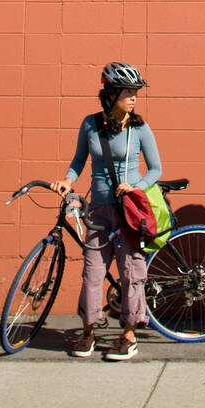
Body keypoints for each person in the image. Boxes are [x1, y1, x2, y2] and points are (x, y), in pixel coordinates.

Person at [51, 61, 161, 362]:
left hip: (128, 213)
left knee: (131, 273)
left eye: (136, 92)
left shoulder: (139, 128)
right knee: (92, 274)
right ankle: (88, 331)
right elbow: (78, 161)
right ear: (111, 94)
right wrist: (67, 180)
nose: (134, 97)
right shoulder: (90, 124)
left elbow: (156, 169)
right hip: (99, 212)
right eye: (128, 92)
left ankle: (128, 335)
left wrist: (134, 184)